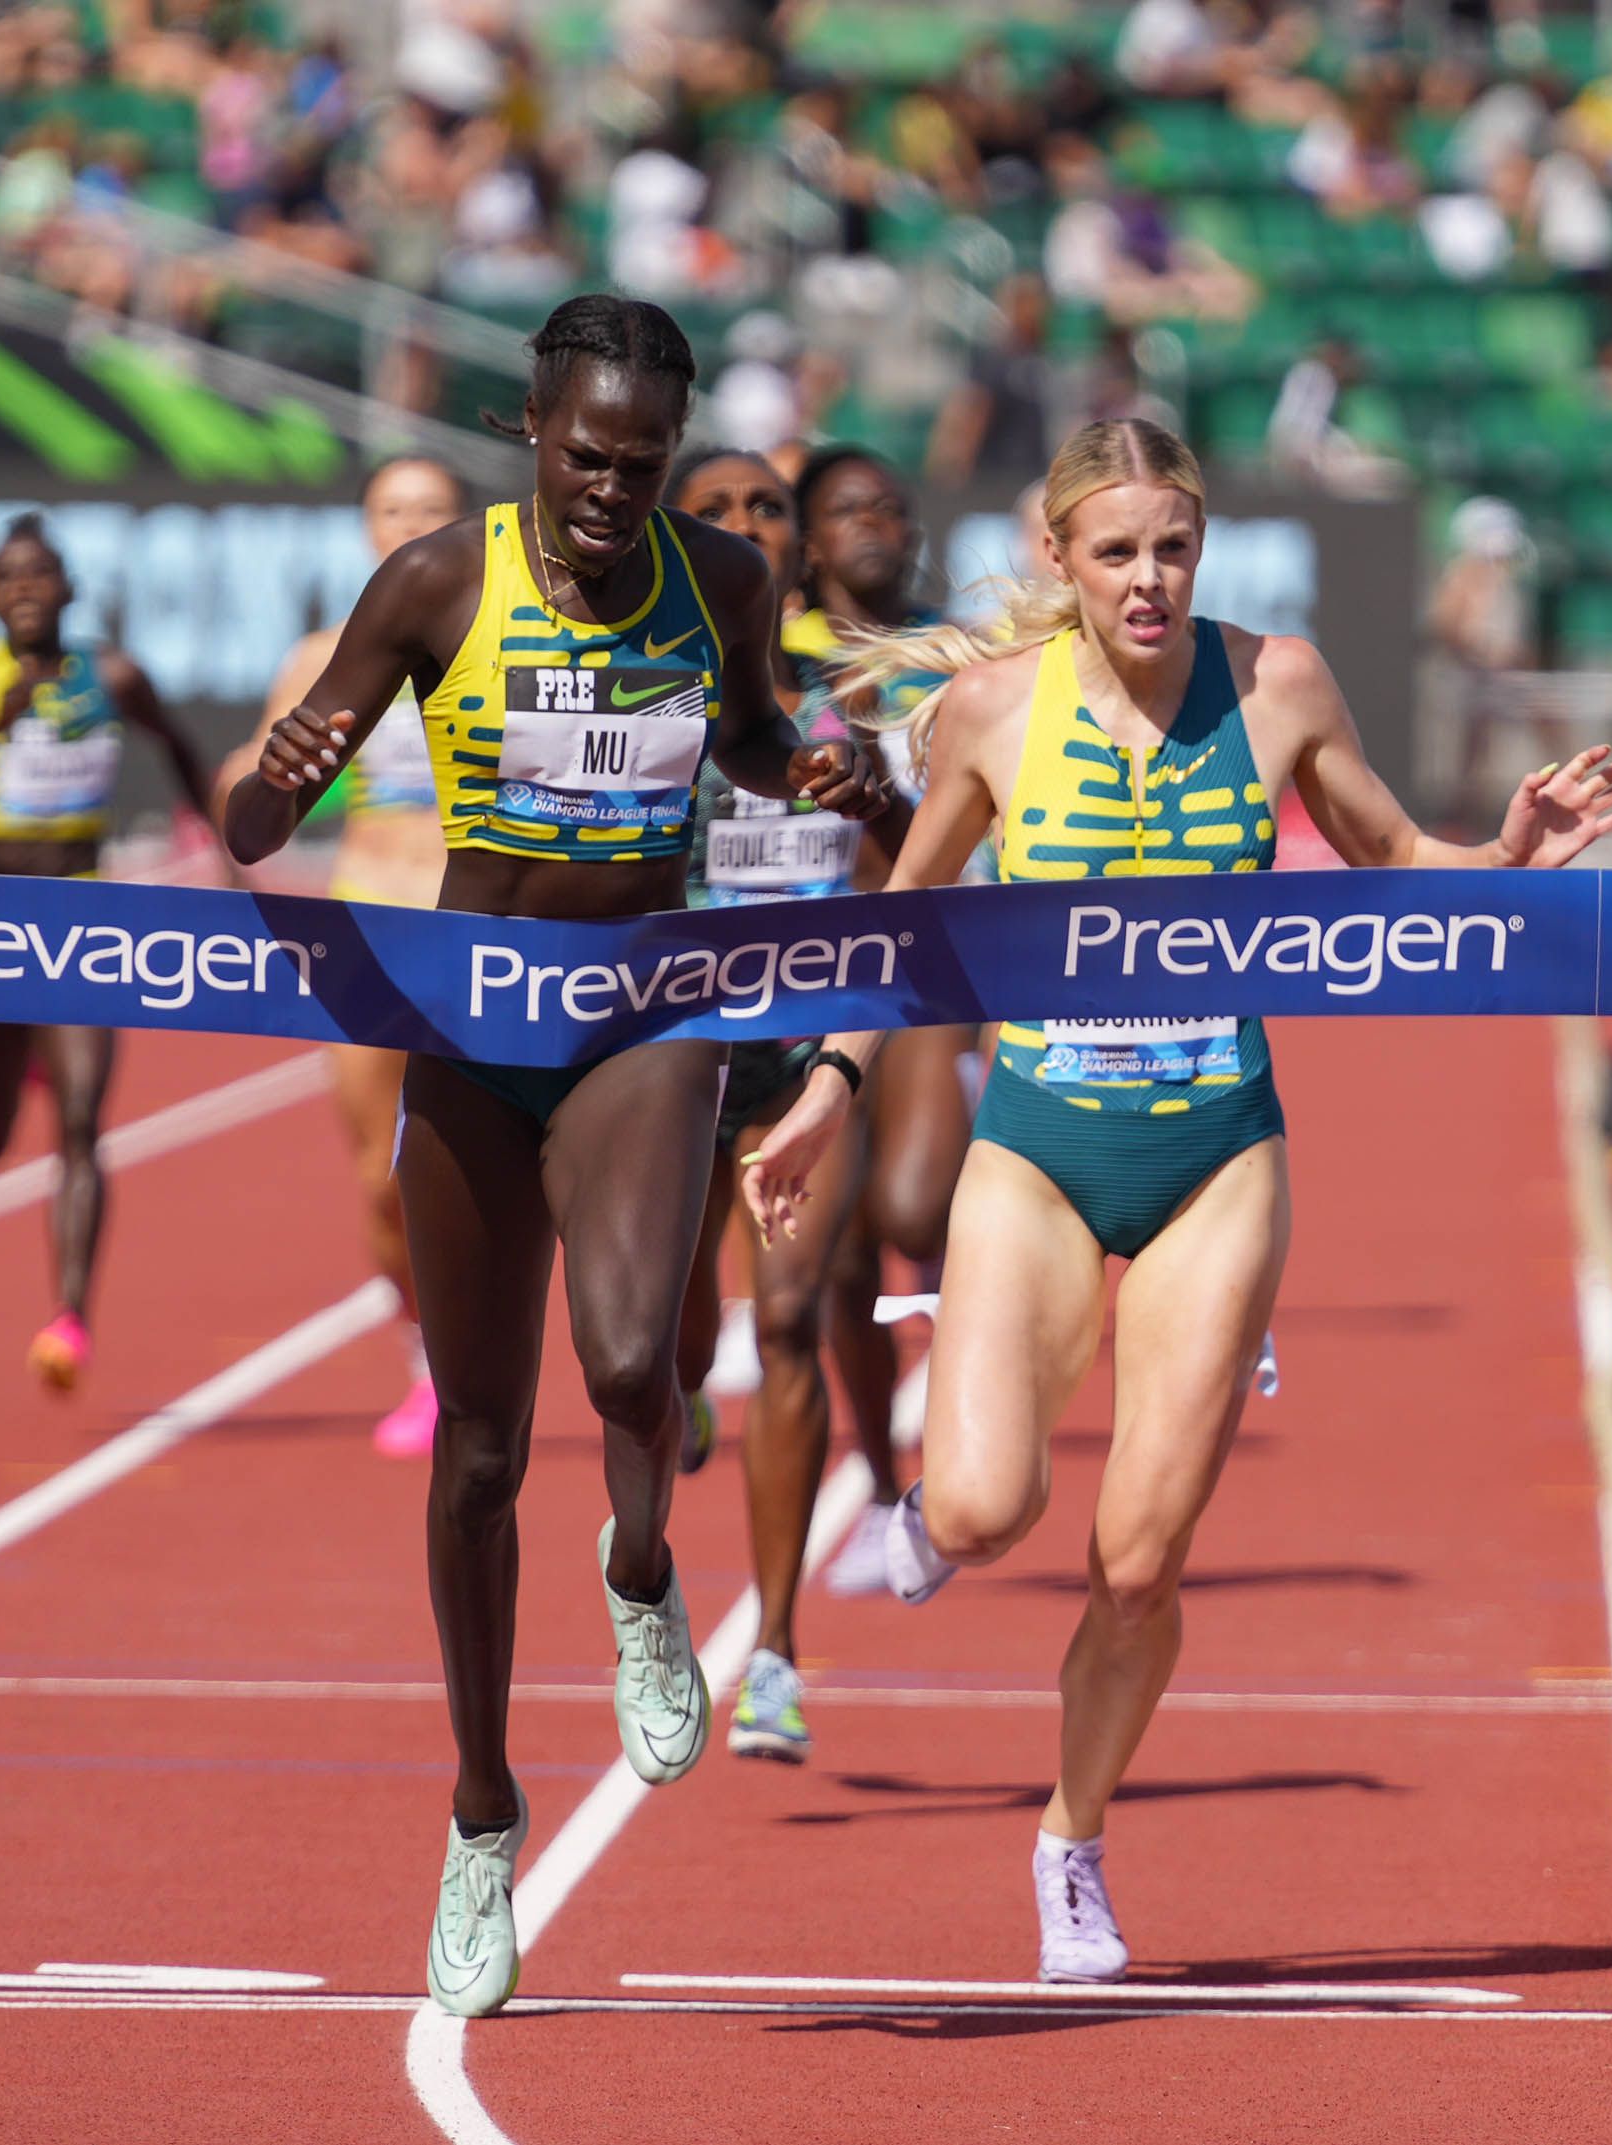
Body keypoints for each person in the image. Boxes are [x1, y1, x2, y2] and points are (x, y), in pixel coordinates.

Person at [740, 418, 1612, 1983]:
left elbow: (1388, 859)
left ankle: (1070, 1846)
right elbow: (900, 929)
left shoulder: (1277, 684)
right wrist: (821, 1096)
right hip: (1034, 1137)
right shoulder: (987, 712)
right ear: (1058, 560)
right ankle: (936, 1503)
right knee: (975, 1508)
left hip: (1218, 1151)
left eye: (1173, 547)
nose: (1149, 580)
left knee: (1141, 1559)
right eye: (1116, 553)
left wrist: (1508, 851)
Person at [223, 295, 882, 2019]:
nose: (612, 490)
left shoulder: (719, 586)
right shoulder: (438, 583)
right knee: (478, 1454)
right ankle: (478, 1816)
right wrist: (275, 783)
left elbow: (742, 734)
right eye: (587, 458)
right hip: (470, 1029)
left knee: (626, 1359)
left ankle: (644, 1570)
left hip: (641, 1017)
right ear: (532, 431)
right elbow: (249, 818)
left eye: (642, 465)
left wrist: (805, 761)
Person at [661, 446, 911, 1764]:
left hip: (809, 1035)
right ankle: (683, 1394)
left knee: (796, 1315)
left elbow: (916, 862)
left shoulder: (844, 693)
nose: (748, 525)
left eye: (767, 507)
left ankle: (771, 1652)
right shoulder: (642, 687)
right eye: (717, 511)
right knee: (677, 1343)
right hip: (677, 1036)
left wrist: (874, 800)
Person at [0, 513, 217, 1391]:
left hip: (82, 919)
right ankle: (14, 1055)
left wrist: (219, 846)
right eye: (9, 578)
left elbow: (181, 745)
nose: (27, 589)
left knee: (81, 1123)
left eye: (41, 575)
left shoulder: (108, 674)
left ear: (69, 590)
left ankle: (69, 1316)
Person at [220, 456, 471, 1457]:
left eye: (431, 509)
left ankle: (506, 1349)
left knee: (506, 1165)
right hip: (364, 928)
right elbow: (253, 780)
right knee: (381, 1177)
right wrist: (245, 786)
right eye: (391, 508)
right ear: (365, 527)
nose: (408, 524)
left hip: (476, 929)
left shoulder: (498, 645)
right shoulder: (325, 654)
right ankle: (425, 1364)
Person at [786, 446, 976, 1598]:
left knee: (910, 1207)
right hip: (814, 951)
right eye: (848, 510)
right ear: (808, 544)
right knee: (840, 1253)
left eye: (890, 507)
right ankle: (877, 1470)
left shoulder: (960, 650)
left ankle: (986, 1259)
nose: (874, 524)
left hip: (939, 942)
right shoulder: (777, 655)